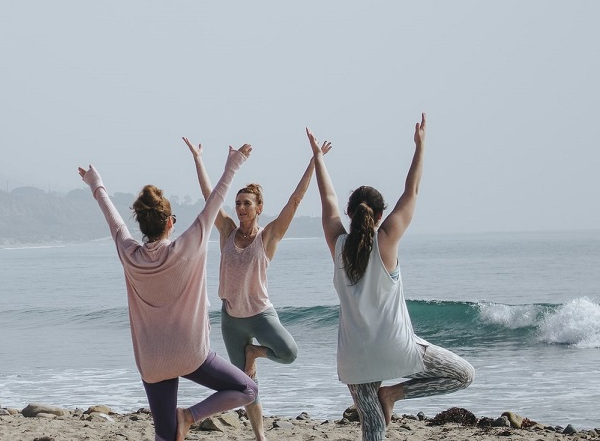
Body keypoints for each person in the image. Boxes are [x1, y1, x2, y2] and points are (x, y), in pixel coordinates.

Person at [306, 114, 473, 441]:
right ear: (380, 216)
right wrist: (420, 147)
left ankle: (388, 398)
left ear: (351, 215)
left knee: (373, 430)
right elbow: (411, 191)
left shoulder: (337, 245)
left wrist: (318, 159)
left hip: (353, 357)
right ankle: (394, 394)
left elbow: (328, 201)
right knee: (463, 375)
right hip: (396, 348)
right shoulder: (388, 240)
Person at [78, 142, 258, 441]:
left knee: (165, 436)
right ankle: (189, 416)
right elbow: (216, 201)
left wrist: (96, 184)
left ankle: (179, 423)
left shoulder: (129, 253)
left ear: (143, 224)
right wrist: (233, 164)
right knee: (248, 389)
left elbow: (113, 219)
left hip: (152, 360)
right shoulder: (187, 247)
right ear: (171, 222)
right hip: (191, 354)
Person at [183, 137, 331, 440]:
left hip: (261, 314)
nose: (240, 208)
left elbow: (295, 201)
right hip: (231, 319)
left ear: (259, 207)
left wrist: (314, 160)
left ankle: (255, 352)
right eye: (237, 203)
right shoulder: (226, 230)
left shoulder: (269, 237)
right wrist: (199, 158)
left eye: (246, 203)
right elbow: (210, 195)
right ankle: (260, 436)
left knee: (289, 352)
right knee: (246, 386)